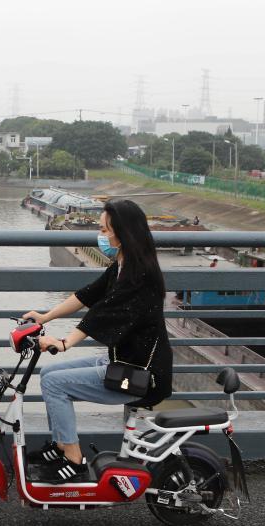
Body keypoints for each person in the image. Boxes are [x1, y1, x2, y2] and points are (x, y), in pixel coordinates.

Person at [22, 198, 173, 482]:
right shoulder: (123, 265)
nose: (101, 236)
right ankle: (60, 446)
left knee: (55, 384)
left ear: (123, 233)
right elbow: (87, 295)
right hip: (122, 360)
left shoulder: (140, 275)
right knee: (49, 373)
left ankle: (74, 460)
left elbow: (103, 313)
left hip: (140, 374)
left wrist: (65, 343)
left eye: (105, 230)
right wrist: (45, 317)